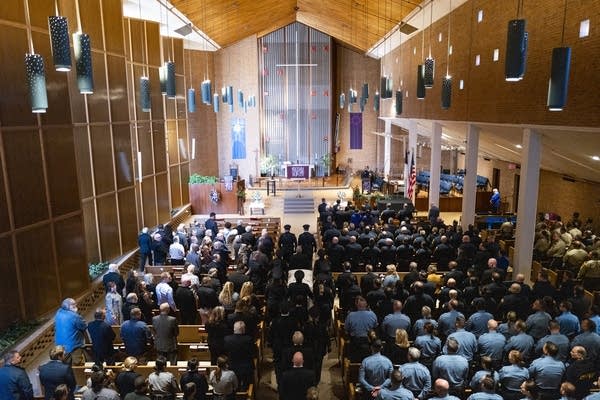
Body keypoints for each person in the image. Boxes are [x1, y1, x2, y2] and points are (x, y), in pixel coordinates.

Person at [224, 321, 256, 390]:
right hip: (247, 367)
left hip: (232, 366)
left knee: (235, 387)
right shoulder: (249, 339)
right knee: (247, 386)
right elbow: (254, 352)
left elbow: (225, 352)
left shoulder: (227, 339)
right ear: (243, 330)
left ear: (234, 329)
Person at [54, 298, 87, 365]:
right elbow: (84, 326)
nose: (76, 307)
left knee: (66, 364)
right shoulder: (74, 316)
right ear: (68, 306)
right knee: (78, 365)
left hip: (60, 346)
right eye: (74, 305)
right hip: (73, 345)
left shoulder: (58, 313)